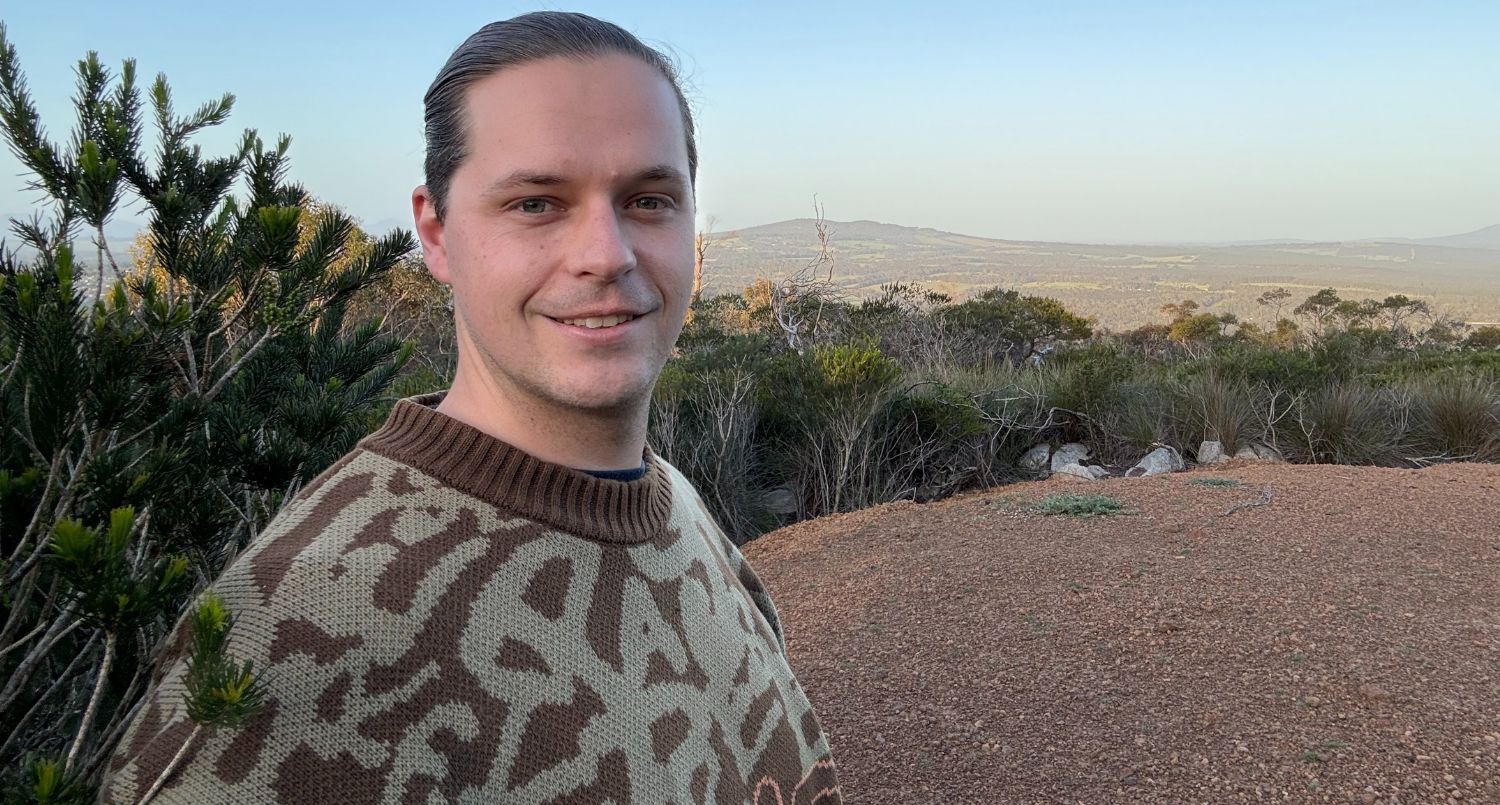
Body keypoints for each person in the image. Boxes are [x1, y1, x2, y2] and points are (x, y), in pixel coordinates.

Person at [103, 12, 843, 804]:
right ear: (436, 232)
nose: (606, 253)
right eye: (536, 203)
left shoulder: (677, 510)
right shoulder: (303, 627)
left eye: (649, 199)